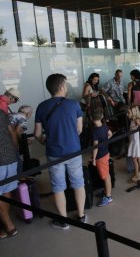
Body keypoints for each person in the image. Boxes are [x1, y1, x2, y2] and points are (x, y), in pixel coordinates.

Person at [34, 73, 87, 229]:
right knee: (78, 183)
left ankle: (64, 221)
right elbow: (79, 129)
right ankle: (81, 215)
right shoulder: (74, 105)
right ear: (61, 86)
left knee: (58, 186)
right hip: (73, 151)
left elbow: (37, 134)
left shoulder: (41, 107)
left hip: (54, 153)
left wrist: (45, 141)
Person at [0, 107, 19, 240]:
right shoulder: (1, 112)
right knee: (7, 190)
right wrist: (15, 149)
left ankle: (7, 224)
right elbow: (11, 130)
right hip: (10, 157)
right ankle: (6, 223)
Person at [90, 107, 113, 206]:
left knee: (106, 176)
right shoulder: (104, 126)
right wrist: (104, 141)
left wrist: (94, 159)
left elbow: (95, 147)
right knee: (106, 175)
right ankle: (106, 192)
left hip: (100, 157)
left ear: (91, 118)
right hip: (106, 153)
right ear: (102, 116)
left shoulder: (95, 131)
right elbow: (110, 134)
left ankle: (108, 196)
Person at [126, 106, 140, 182]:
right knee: (138, 159)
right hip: (134, 142)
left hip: (136, 143)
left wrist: (138, 123)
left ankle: (137, 175)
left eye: (129, 112)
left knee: (135, 159)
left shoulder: (136, 121)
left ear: (134, 113)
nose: (127, 114)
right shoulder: (132, 121)